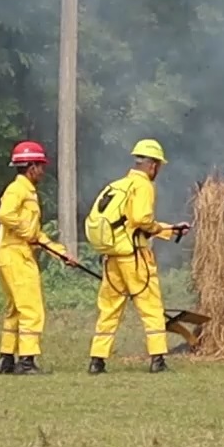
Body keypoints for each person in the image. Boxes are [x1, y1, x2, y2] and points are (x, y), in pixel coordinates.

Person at [84, 139, 189, 375]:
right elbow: (141, 220)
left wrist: (170, 229)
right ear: (152, 165)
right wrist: (157, 228)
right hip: (134, 257)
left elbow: (128, 223)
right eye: (158, 165)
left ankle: (97, 360)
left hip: (112, 257)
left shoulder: (119, 185)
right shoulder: (143, 186)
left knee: (109, 309)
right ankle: (158, 360)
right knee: (151, 307)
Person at [0, 141, 81, 375]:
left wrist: (62, 254)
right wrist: (26, 232)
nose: (43, 170)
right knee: (32, 309)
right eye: (40, 166)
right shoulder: (19, 189)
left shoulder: (27, 191)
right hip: (16, 256)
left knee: (15, 310)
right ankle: (27, 362)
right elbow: (4, 215)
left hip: (11, 254)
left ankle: (6, 360)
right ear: (31, 167)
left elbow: (37, 235)